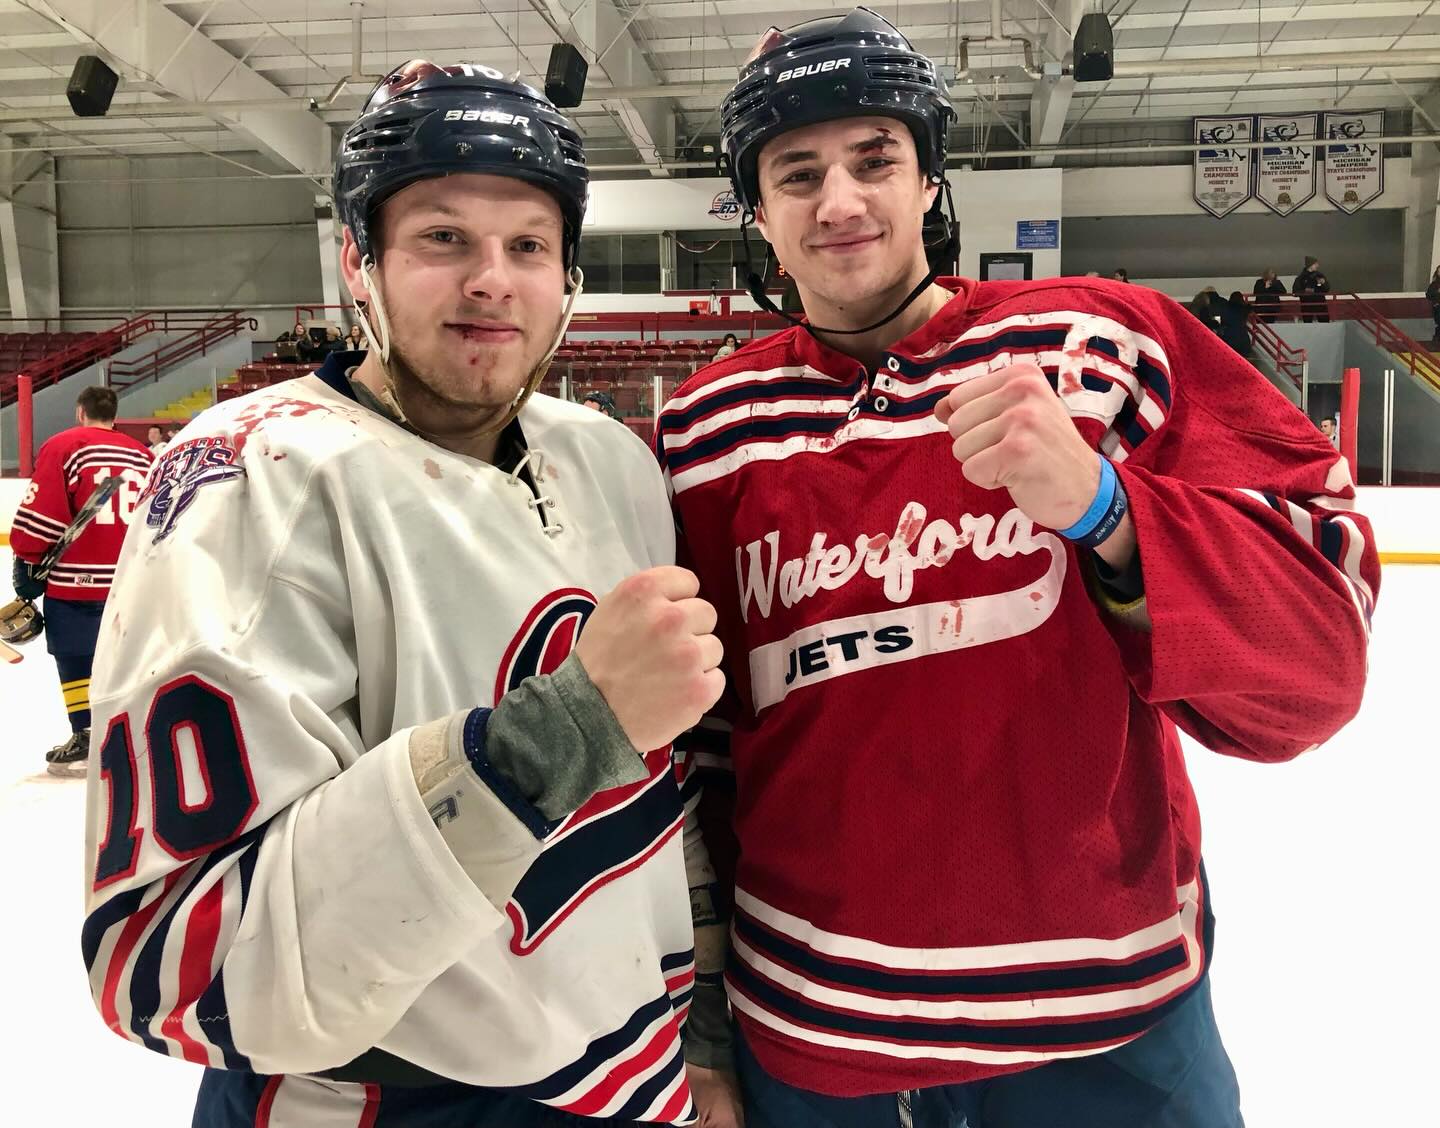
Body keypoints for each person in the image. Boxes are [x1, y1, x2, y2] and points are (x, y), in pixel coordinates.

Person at [657, 11, 1379, 1128]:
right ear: (758, 211)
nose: (840, 201)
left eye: (875, 160)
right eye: (796, 173)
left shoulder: (1100, 347)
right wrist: (702, 1026)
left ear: (930, 179)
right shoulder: (707, 425)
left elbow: (1317, 661)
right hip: (815, 1030)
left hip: (1109, 1025)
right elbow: (696, 748)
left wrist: (1108, 511)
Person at [81, 60, 722, 1128]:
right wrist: (560, 732)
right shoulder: (253, 478)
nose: (491, 279)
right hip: (390, 1100)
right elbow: (172, 955)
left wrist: (696, 1039)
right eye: (442, 237)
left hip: (629, 1073)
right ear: (358, 262)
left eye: (528, 245)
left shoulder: (612, 458)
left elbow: (666, 794)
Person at [8, 385, 153, 775]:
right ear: (114, 415)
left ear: (79, 411)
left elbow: (44, 513)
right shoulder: (142, 454)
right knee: (128, 658)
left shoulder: (65, 445)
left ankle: (86, 732)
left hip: (77, 580)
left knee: (75, 656)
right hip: (131, 578)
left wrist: (28, 558)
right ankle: (133, 732)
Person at [1215, 291, 1254, 357]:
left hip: (1228, 335)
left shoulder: (1225, 307)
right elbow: (1250, 308)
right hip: (1242, 336)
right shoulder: (1244, 308)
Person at [1293, 255, 1330, 323]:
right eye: (1315, 264)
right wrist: (1305, 291)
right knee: (1308, 325)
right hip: (1307, 305)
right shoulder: (1301, 278)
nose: (1318, 265)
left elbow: (1327, 289)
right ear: (1310, 265)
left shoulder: (1320, 275)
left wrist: (1324, 283)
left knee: (1325, 324)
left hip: (1320, 305)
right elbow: (1295, 292)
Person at [1425, 266, 1440, 343]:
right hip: (1438, 308)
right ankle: (1436, 338)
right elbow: (1428, 295)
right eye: (1439, 271)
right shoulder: (1434, 284)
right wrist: (1437, 292)